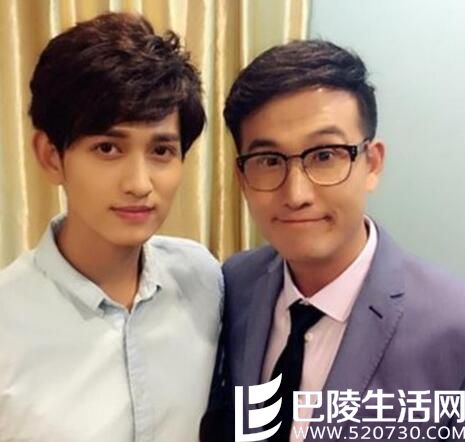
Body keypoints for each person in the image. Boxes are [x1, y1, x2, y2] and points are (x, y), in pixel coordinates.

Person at [202, 39, 465, 442]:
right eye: (269, 161)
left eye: (324, 155)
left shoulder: (452, 326)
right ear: (242, 179)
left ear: (372, 164)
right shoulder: (236, 284)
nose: (296, 194)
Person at [0, 12, 223, 442]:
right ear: (50, 155)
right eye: (107, 148)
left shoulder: (203, 280)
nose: (139, 184)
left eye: (161, 151)